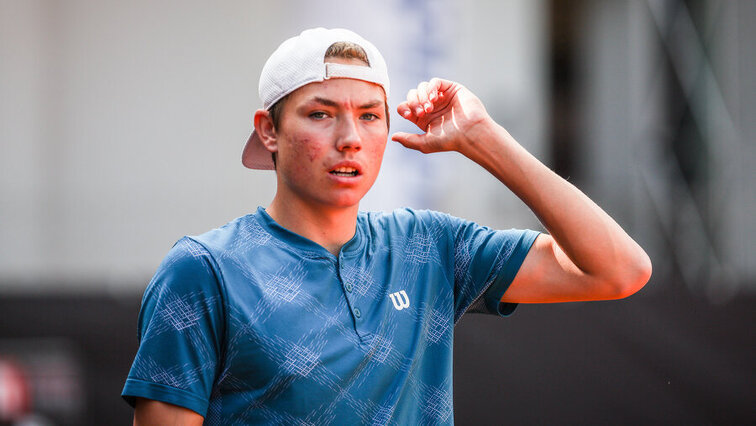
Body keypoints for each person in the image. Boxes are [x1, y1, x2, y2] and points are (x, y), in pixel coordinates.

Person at [122, 28, 651, 425]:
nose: (350, 137)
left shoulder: (430, 247)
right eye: (321, 113)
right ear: (269, 132)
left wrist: (484, 138)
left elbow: (620, 271)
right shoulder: (203, 270)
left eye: (370, 115)